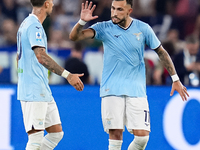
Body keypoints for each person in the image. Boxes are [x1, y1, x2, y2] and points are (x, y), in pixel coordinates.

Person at [69, 0, 189, 150]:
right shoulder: (104, 27)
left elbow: (161, 52)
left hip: (136, 89)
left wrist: (175, 79)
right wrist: (81, 22)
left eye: (119, 9)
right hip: (111, 89)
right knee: (115, 135)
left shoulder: (143, 28)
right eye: (113, 9)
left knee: (142, 138)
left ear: (129, 11)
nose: (114, 13)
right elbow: (74, 37)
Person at [16, 0, 84, 149]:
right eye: (52, 1)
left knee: (56, 134)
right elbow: (41, 56)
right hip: (34, 90)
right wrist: (68, 75)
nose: (53, 4)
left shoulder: (25, 24)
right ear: (46, 4)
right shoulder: (34, 26)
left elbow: (18, 57)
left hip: (40, 88)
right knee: (35, 139)